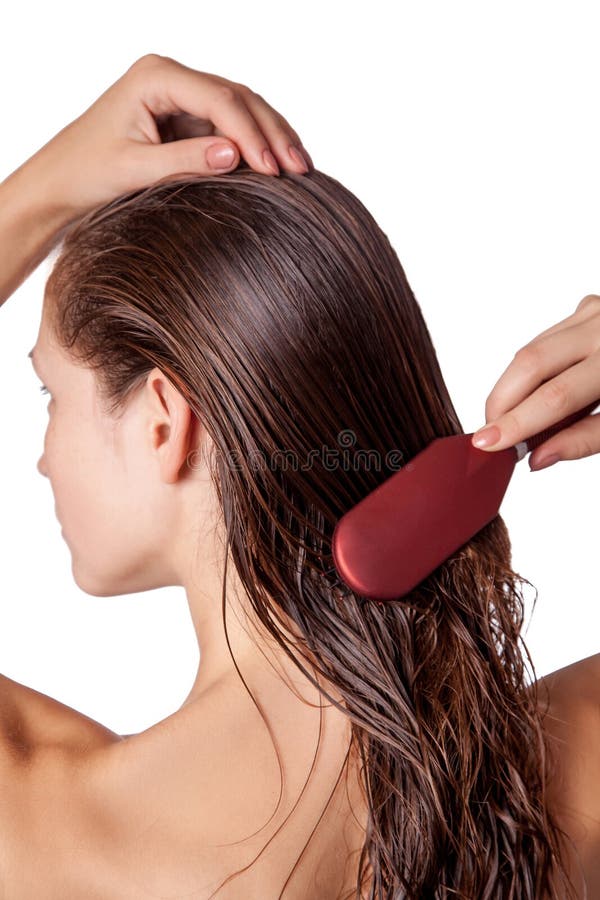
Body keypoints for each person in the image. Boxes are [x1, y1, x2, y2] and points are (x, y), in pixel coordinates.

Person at [0, 53, 598, 899]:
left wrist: (42, 188)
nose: (41, 453)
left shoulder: (52, 823)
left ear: (166, 421)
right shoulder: (560, 776)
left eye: (47, 394)